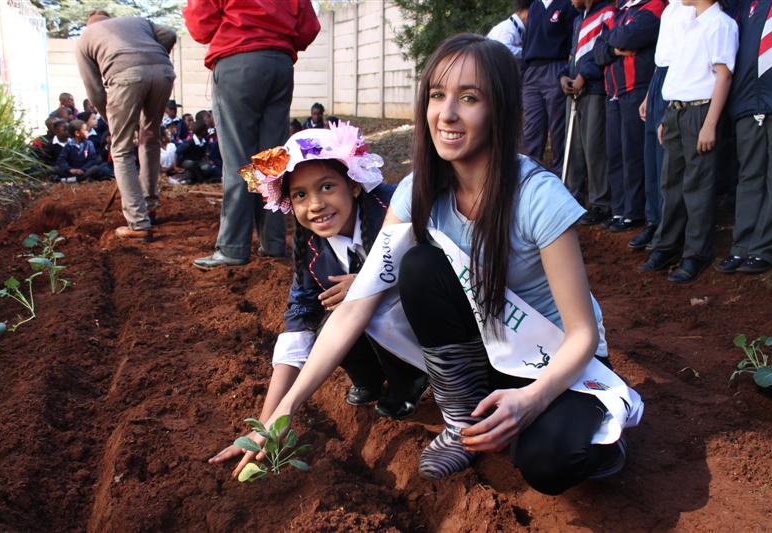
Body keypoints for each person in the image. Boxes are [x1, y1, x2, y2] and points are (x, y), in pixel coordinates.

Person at [211, 34, 642, 496]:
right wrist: (284, 411)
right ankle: (461, 420)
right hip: (490, 351)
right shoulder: (417, 192)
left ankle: (601, 436)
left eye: (469, 98)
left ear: (499, 109)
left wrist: (531, 400)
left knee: (546, 462)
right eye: (437, 95)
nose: (447, 114)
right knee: (419, 266)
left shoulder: (537, 196)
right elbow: (357, 306)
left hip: (557, 358)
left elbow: (582, 333)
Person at [229, 124, 428, 436]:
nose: (315, 205)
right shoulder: (310, 249)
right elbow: (298, 318)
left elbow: (437, 264)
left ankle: (410, 379)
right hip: (377, 325)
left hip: (428, 318)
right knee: (324, 314)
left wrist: (368, 282)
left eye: (326, 187)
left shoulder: (394, 207)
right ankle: (368, 380)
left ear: (354, 184)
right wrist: (267, 422)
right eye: (300, 195)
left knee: (367, 300)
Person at [185, 0, 321, 268]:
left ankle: (233, 247)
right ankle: (273, 242)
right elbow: (308, 29)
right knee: (272, 160)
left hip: (238, 59)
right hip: (280, 64)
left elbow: (200, 26)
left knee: (238, 159)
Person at [639, 0, 738, 283]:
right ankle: (667, 245)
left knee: (698, 185)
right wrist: (667, 116)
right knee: (670, 182)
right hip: (676, 110)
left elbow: (723, 76)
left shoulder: (720, 24)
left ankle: (696, 253)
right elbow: (679, 71)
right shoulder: (688, 22)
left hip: (700, 111)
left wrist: (709, 124)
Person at [76, 10, 177, 240]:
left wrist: (113, 123)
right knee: (150, 138)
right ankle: (149, 206)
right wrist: (153, 58)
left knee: (121, 150)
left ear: (88, 24)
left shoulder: (85, 37)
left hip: (124, 77)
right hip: (163, 72)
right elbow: (170, 35)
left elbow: (95, 90)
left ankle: (138, 222)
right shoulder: (136, 21)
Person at [715, 0, 772, 275]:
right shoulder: (745, 6)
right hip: (748, 103)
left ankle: (766, 249)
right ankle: (742, 246)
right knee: (749, 176)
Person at [594, 0, 666, 232]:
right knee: (615, 154)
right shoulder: (620, 12)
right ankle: (619, 209)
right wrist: (614, 48)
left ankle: (634, 212)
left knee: (632, 153)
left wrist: (611, 41)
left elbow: (627, 38)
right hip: (613, 92)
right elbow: (598, 51)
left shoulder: (653, 6)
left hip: (636, 89)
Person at [632, 0, 696, 251]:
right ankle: (653, 220)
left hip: (677, 78)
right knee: (651, 158)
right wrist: (649, 94)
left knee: (666, 162)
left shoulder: (691, 9)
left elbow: (685, 57)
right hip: (659, 79)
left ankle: (668, 228)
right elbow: (661, 58)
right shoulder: (669, 9)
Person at [559, 0, 616, 225]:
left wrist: (586, 75)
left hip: (594, 90)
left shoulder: (607, 13)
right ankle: (572, 196)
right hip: (574, 90)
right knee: (574, 145)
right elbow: (573, 54)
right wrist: (564, 75)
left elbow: (604, 51)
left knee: (594, 146)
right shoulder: (577, 20)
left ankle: (600, 202)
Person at [520, 0, 578, 175]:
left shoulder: (566, 5)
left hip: (556, 66)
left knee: (558, 127)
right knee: (532, 128)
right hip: (532, 71)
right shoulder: (535, 6)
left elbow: (573, 41)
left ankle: (562, 175)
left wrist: (567, 70)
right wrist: (524, 72)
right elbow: (527, 42)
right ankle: (529, 176)